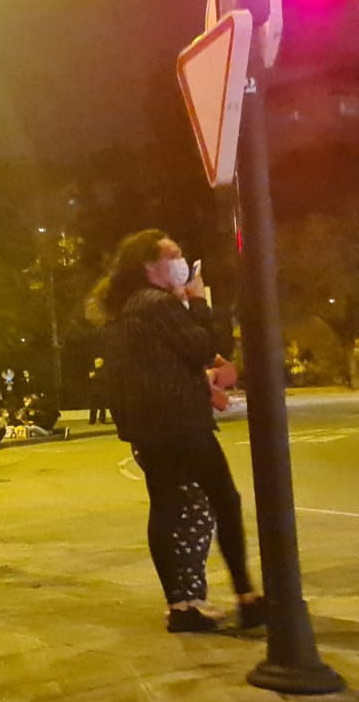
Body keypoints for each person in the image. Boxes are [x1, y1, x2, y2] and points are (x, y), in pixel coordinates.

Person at [89, 229, 263, 633]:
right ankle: (247, 596)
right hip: (181, 422)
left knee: (165, 507)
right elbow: (205, 346)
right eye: (174, 254)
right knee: (225, 499)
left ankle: (181, 606)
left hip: (148, 428)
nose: (183, 261)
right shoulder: (157, 304)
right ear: (151, 266)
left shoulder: (127, 309)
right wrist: (199, 301)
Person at [87, 356, 111, 425]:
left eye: (98, 362)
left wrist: (94, 377)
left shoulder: (104, 370)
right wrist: (90, 377)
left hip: (102, 391)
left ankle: (102, 420)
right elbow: (88, 380)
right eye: (95, 362)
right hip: (93, 392)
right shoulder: (92, 370)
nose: (96, 364)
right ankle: (92, 421)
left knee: (102, 407)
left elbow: (104, 378)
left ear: (102, 363)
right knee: (93, 407)